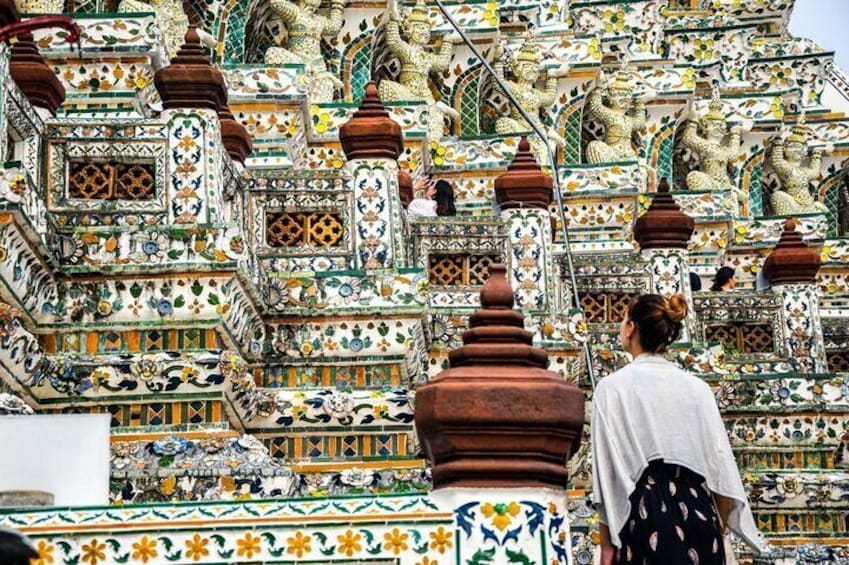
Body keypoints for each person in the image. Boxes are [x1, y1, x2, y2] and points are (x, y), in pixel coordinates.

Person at [592, 294, 763, 565]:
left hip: (643, 514)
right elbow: (718, 465)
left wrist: (606, 546)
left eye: (624, 319)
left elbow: (608, 477)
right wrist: (716, 526)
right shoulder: (698, 388)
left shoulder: (612, 388)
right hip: (698, 509)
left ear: (631, 327)